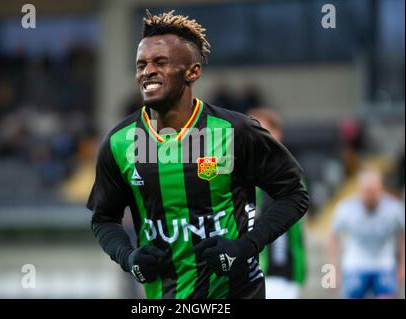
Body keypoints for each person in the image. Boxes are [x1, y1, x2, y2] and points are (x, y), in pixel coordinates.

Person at [87, 10, 308, 299]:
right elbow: (104, 219)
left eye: (160, 62)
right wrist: (129, 259)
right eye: (141, 64)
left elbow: (294, 194)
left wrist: (246, 246)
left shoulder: (236, 131)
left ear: (192, 71)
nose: (147, 71)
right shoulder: (119, 142)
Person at [247, 107, 307, 299]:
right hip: (253, 273)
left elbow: (300, 226)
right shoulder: (241, 176)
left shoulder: (291, 176)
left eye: (262, 131)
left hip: (287, 273)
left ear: (277, 134)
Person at [328, 168, 405, 299]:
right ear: (360, 191)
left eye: (374, 192)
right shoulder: (346, 208)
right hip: (355, 264)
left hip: (384, 264)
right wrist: (331, 272)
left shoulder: (394, 208)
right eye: (367, 192)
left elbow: (403, 234)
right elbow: (332, 237)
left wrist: (403, 265)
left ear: (381, 190)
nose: (370, 196)